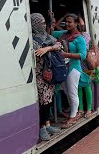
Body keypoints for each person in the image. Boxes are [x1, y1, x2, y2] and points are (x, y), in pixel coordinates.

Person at [53, 14, 91, 128]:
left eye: (70, 22)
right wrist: (52, 21)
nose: (67, 24)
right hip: (63, 68)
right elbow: (50, 32)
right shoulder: (63, 34)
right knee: (67, 92)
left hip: (73, 68)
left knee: (73, 93)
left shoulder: (79, 38)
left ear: (76, 24)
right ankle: (72, 114)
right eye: (66, 22)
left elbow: (83, 55)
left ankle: (73, 117)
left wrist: (66, 54)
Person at [31, 13, 61, 141]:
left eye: (44, 22)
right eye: (41, 23)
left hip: (49, 73)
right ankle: (41, 128)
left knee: (48, 101)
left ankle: (47, 124)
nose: (44, 25)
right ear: (35, 25)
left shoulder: (48, 37)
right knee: (43, 102)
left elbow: (59, 46)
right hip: (39, 75)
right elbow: (37, 52)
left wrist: (48, 48)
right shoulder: (31, 40)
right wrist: (51, 47)